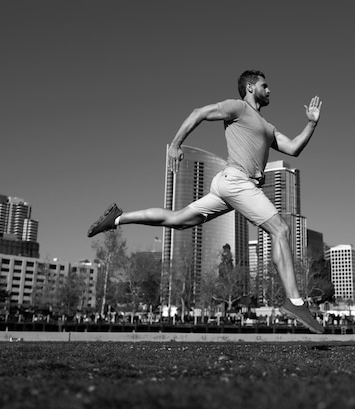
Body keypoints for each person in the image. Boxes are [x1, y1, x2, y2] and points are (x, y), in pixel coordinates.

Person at [87, 70, 323, 334]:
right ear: (249, 87)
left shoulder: (268, 128)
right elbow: (198, 112)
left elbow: (293, 148)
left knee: (177, 220)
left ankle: (117, 218)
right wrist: (175, 145)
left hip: (229, 187)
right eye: (264, 86)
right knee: (281, 229)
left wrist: (311, 124)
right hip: (236, 181)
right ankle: (296, 302)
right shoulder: (239, 108)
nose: (269, 91)